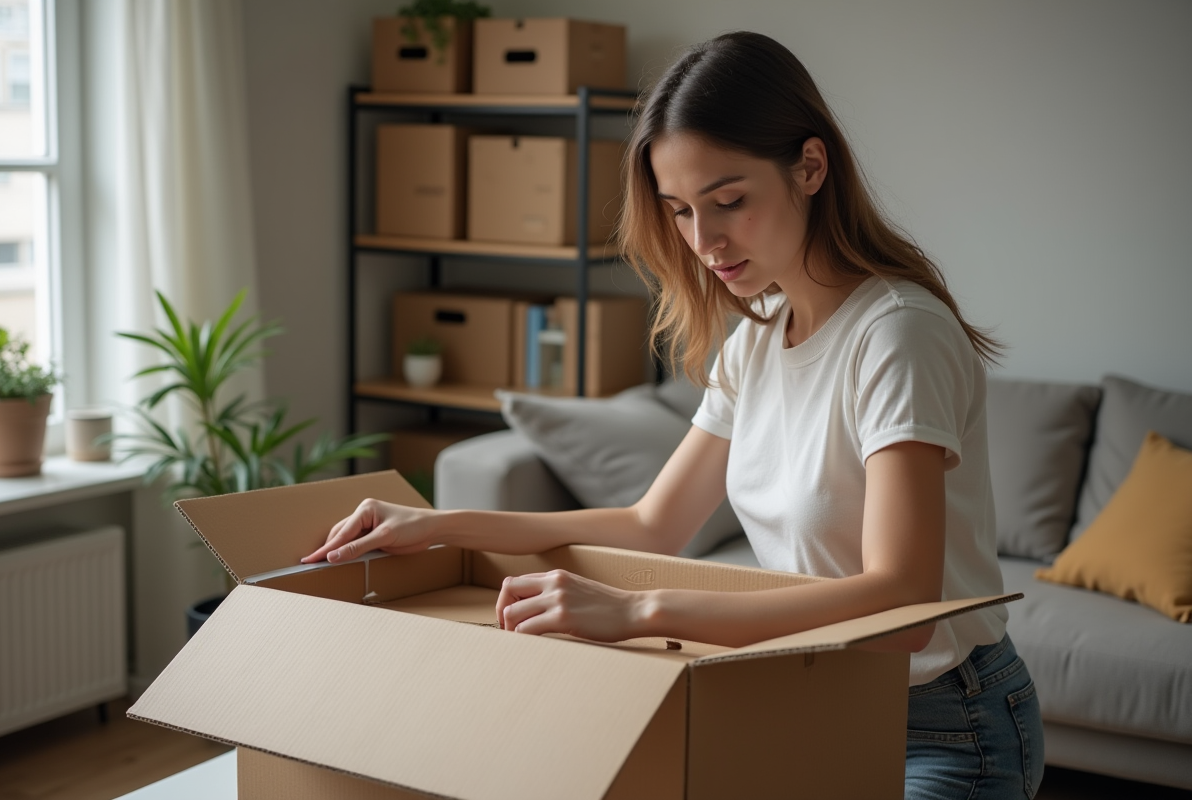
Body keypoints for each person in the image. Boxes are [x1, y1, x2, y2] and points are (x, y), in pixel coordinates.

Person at [303, 31, 1044, 800]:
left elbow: (904, 605)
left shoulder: (897, 335)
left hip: (947, 728)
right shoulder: (757, 338)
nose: (704, 241)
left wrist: (636, 610)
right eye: (681, 210)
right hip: (813, 699)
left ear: (811, 167)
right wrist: (436, 524)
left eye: (729, 202)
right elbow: (651, 524)